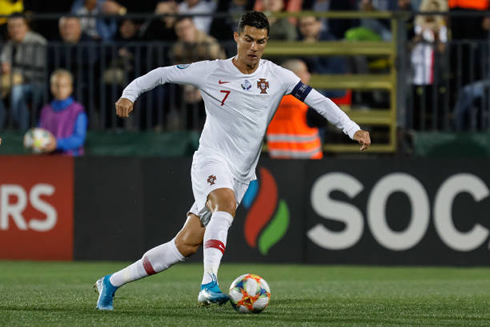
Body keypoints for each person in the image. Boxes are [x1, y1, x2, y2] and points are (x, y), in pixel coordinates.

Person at [94, 11, 370, 311]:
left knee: (183, 246)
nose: (254, 47)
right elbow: (162, 73)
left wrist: (352, 128)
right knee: (223, 204)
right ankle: (208, 284)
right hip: (211, 160)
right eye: (249, 39)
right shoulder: (212, 71)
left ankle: (111, 282)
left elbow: (318, 100)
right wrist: (129, 93)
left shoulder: (278, 76)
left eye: (261, 42)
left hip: (242, 174)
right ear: (237, 38)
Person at [266, 59, 323, 159]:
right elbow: (322, 122)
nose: (308, 75)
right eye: (305, 71)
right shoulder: (309, 101)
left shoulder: (268, 101)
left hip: (277, 163)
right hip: (308, 164)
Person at [0, 13, 47, 130]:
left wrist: (15, 73)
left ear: (27, 26)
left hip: (36, 83)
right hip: (12, 83)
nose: (15, 29)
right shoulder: (9, 44)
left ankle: (23, 131)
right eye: (12, 26)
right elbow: (4, 62)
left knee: (17, 91)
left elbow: (40, 70)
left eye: (19, 25)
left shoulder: (37, 42)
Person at [39, 69, 88, 156]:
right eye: (57, 85)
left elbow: (79, 139)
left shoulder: (78, 111)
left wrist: (57, 144)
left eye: (64, 86)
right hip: (48, 160)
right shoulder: (45, 110)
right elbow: (40, 133)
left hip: (70, 161)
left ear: (71, 88)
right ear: (51, 87)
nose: (60, 89)